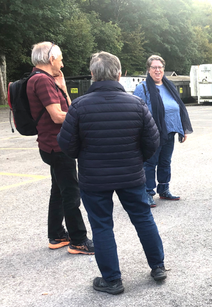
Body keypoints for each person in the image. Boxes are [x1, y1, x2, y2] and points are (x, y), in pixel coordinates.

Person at [58, 52, 166, 295]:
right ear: (119, 74)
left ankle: (112, 280)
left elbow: (67, 145)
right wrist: (136, 160)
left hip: (94, 179)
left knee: (102, 227)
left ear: (93, 75)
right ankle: (158, 266)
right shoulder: (136, 104)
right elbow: (153, 141)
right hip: (131, 175)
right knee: (143, 218)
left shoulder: (79, 106)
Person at [26, 41, 94, 255]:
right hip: (57, 146)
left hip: (51, 145)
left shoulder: (43, 79)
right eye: (61, 59)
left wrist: (64, 88)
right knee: (71, 193)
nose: (62, 64)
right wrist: (85, 116)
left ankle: (56, 235)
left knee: (59, 190)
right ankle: (79, 240)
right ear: (51, 58)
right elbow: (58, 116)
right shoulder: (42, 81)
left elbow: (68, 107)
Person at [133, 55, 193, 207]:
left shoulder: (169, 86)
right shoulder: (143, 88)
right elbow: (137, 111)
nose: (157, 70)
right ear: (148, 69)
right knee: (150, 163)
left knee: (165, 161)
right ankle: (148, 192)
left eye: (160, 67)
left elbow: (179, 108)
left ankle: (164, 189)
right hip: (152, 132)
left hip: (170, 131)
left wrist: (182, 128)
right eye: (154, 67)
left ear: (164, 69)